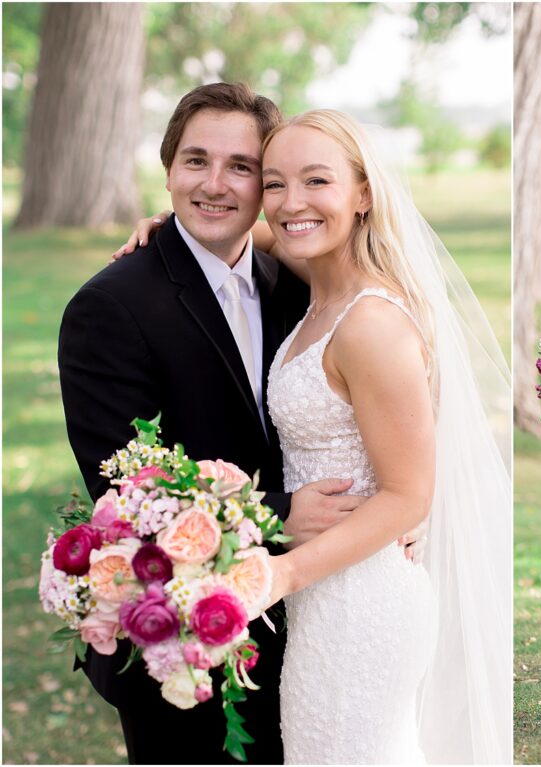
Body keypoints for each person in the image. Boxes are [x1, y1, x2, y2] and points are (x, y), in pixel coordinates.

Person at [117, 109, 512, 762]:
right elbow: (281, 234)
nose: (290, 202)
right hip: (322, 601)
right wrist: (177, 232)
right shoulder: (323, 291)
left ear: (364, 193)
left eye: (316, 181)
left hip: (363, 600)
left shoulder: (370, 324)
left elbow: (410, 496)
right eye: (274, 183)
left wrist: (278, 572)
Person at [58, 83, 380, 764]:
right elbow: (128, 491)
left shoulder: (296, 282)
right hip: (186, 650)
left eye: (241, 168)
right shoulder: (109, 307)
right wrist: (282, 512)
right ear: (169, 168)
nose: (215, 184)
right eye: (195, 161)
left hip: (316, 625)